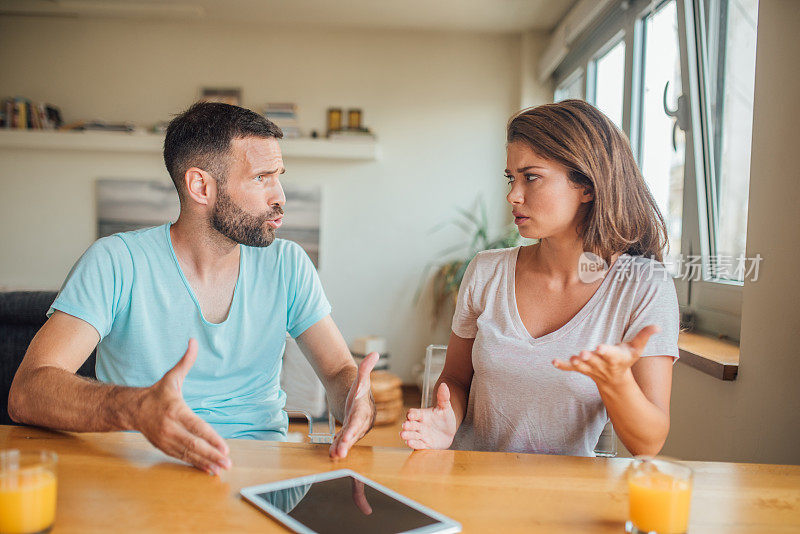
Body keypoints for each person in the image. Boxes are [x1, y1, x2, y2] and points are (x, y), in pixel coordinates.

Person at [9, 102, 377, 475]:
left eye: (278, 175)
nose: (279, 196)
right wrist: (135, 407)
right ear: (200, 186)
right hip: (139, 468)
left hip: (259, 469)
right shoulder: (115, 262)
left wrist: (356, 399)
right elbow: (27, 392)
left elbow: (337, 372)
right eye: (261, 178)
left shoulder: (289, 264)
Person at [401, 100, 679, 457]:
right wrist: (446, 420)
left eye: (531, 177)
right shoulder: (486, 271)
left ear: (587, 187)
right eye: (511, 179)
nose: (512, 196)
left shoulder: (643, 286)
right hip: (471, 484)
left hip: (566, 499)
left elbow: (649, 443)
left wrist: (617, 382)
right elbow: (455, 379)